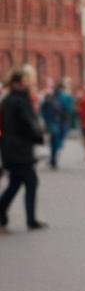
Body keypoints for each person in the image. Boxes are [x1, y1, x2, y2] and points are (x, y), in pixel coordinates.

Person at [0, 69, 48, 230]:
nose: (29, 83)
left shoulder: (8, 99)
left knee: (15, 182)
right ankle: (31, 220)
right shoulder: (19, 100)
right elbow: (27, 123)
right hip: (19, 148)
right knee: (31, 181)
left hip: (11, 147)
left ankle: (2, 211)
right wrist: (38, 137)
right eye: (27, 80)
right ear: (17, 83)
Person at [40, 81, 72, 169]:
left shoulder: (54, 97)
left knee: (56, 140)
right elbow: (70, 110)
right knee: (57, 139)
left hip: (58, 121)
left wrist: (46, 119)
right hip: (58, 122)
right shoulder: (63, 97)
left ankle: (54, 156)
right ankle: (54, 157)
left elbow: (43, 109)